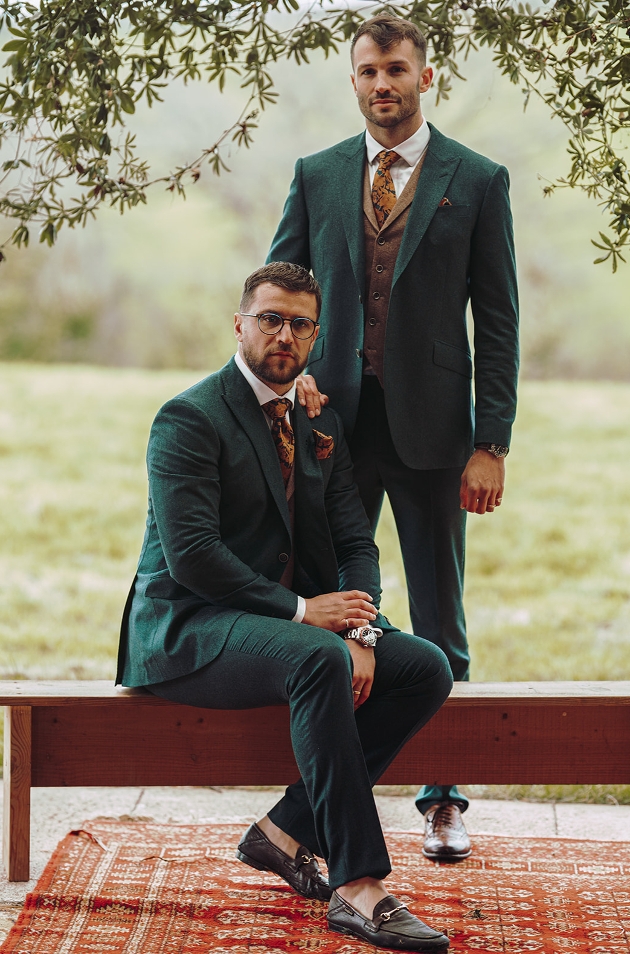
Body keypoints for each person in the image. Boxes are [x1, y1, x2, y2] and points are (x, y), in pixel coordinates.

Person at [116, 262, 454, 951]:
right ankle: (358, 887)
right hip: (189, 626)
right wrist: (307, 613)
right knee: (318, 657)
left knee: (426, 666)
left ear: (315, 339)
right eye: (270, 318)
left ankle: (281, 831)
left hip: (288, 624)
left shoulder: (315, 420)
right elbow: (194, 557)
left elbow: (357, 539)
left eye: (300, 324)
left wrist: (359, 626)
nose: (284, 335)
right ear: (240, 324)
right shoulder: (189, 417)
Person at [267, 14, 519, 861]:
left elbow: (499, 320)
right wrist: (280, 385)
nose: (384, 84)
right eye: (370, 70)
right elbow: (284, 285)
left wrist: (493, 441)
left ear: (426, 76)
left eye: (398, 69)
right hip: (330, 430)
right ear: (353, 80)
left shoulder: (478, 180)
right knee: (337, 618)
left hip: (436, 435)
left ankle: (444, 800)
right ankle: (321, 808)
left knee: (439, 619)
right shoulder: (317, 174)